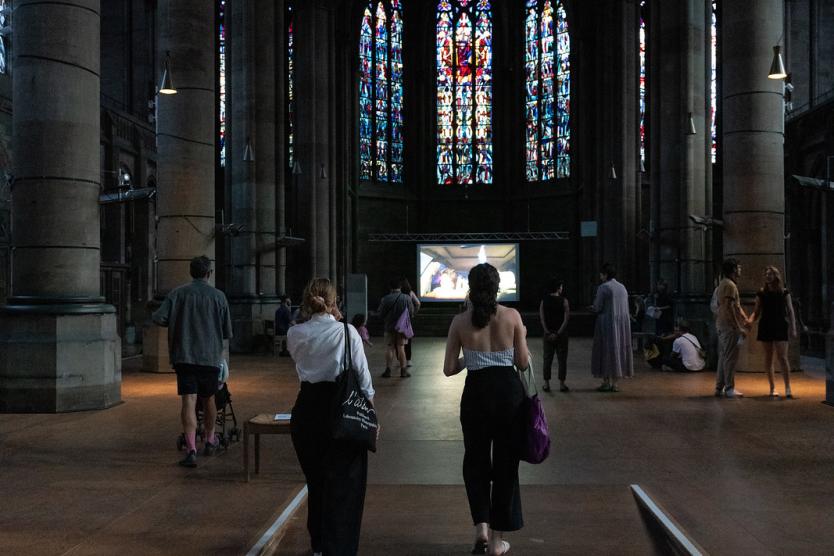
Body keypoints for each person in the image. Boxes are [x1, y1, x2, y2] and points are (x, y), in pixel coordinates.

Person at [443, 263, 528, 556]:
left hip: (476, 396)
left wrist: (474, 358)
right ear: (497, 287)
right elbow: (523, 363)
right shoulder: (512, 316)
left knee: (475, 462)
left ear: (470, 287)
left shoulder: (459, 322)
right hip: (509, 397)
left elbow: (449, 368)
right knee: (506, 466)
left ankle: (480, 528)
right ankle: (496, 542)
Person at [287, 278, 376, 556]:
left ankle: (319, 544)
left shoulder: (294, 333)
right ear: (335, 301)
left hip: (306, 410)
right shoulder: (347, 333)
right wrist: (371, 415)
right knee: (346, 484)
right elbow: (363, 379)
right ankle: (339, 547)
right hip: (341, 409)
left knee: (316, 482)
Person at [152, 256, 233, 468]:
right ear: (209, 273)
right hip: (209, 357)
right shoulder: (218, 296)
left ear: (191, 272)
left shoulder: (177, 293)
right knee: (208, 399)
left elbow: (158, 317)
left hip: (184, 355)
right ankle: (210, 439)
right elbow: (227, 331)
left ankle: (191, 449)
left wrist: (178, 321)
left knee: (188, 400)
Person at [747, 266, 798, 398]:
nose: (768, 276)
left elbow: (790, 311)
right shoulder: (761, 293)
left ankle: (788, 387)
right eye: (766, 274)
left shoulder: (784, 292)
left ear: (776, 276)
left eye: (770, 274)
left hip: (780, 325)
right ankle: (772, 388)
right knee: (768, 357)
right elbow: (756, 311)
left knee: (782, 357)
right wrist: (750, 320)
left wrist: (793, 327)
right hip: (766, 325)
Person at [590, 263, 633, 392]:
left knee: (605, 350)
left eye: (601, 274)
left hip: (607, 323)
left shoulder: (604, 287)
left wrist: (593, 308)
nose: (600, 276)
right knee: (618, 350)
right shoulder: (622, 287)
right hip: (621, 325)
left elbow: (598, 307)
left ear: (605, 274)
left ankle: (606, 382)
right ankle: (615, 383)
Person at [713, 258, 750, 398]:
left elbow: (736, 306)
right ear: (734, 269)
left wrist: (745, 318)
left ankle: (719, 387)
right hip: (728, 327)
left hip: (722, 325)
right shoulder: (730, 285)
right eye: (739, 267)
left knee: (724, 356)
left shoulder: (724, 284)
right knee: (730, 358)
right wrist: (738, 327)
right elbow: (729, 308)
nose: (740, 270)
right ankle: (729, 388)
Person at [376, 280, 414, 378]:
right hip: (402, 328)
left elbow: (380, 314)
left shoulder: (385, 299)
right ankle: (403, 370)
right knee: (401, 348)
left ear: (390, 287)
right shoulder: (406, 298)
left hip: (389, 327)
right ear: (400, 287)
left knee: (389, 348)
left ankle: (388, 370)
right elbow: (411, 312)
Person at [539, 277, 570, 392]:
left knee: (547, 359)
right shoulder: (564, 301)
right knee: (562, 360)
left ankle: (546, 384)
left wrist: (547, 332)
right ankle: (562, 384)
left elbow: (542, 318)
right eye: (561, 286)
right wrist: (558, 333)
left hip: (548, 334)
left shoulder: (544, 301)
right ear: (558, 288)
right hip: (561, 335)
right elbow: (566, 319)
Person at [400, 278, 421, 367]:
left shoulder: (398, 294)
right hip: (407, 318)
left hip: (397, 318)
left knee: (398, 340)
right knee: (408, 339)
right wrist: (413, 313)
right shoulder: (410, 293)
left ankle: (401, 359)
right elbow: (418, 303)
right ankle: (408, 360)